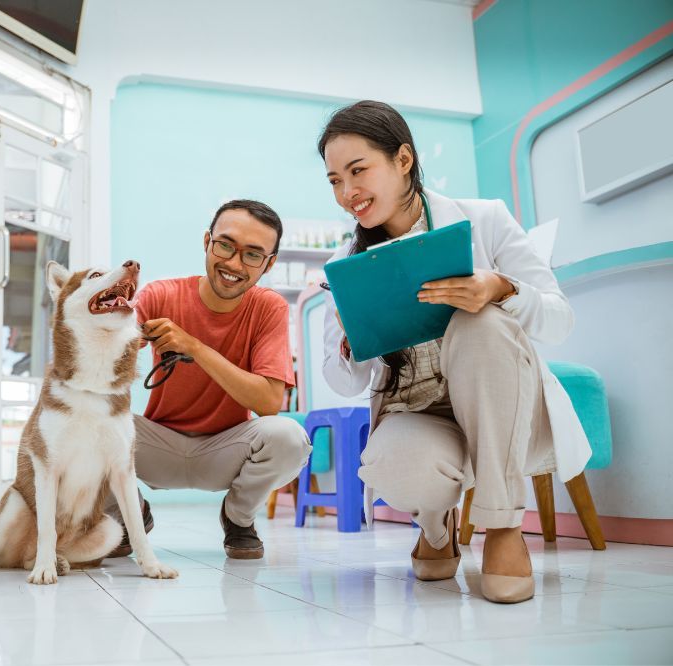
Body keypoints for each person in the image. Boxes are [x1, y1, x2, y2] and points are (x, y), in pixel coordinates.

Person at [317, 101, 591, 603]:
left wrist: (502, 288)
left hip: (500, 401)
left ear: (403, 160)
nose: (347, 192)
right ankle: (436, 530)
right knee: (394, 466)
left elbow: (559, 317)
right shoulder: (345, 264)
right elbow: (344, 382)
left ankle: (503, 526)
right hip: (417, 410)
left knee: (481, 321)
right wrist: (350, 343)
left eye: (358, 171)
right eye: (334, 180)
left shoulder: (485, 219)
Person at [109, 199, 312, 559]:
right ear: (207, 242)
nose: (234, 263)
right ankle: (130, 513)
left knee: (289, 437)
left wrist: (195, 348)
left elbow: (268, 403)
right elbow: (107, 354)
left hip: (226, 451)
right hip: (157, 447)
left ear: (269, 264)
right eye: (225, 246)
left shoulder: (269, 308)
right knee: (88, 425)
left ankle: (238, 517)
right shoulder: (162, 295)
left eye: (252, 254)